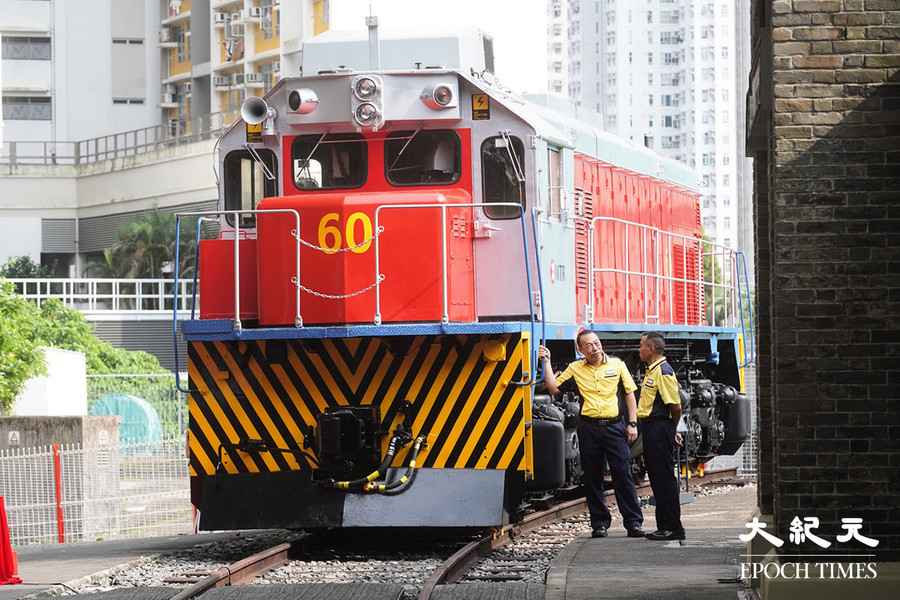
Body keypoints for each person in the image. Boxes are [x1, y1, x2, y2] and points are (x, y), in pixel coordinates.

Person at [539, 331, 645, 539]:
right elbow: (553, 388)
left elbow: (629, 394)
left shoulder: (617, 365)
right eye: (588, 345)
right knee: (593, 477)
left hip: (615, 427)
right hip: (589, 428)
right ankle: (599, 524)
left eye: (596, 343)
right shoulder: (575, 368)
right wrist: (546, 362)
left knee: (623, 475)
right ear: (580, 350)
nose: (594, 347)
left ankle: (634, 523)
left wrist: (632, 423)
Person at [637, 331, 686, 541]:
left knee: (664, 479)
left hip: (659, 428)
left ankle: (673, 527)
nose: (639, 349)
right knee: (657, 479)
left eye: (641, 346)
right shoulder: (653, 370)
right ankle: (664, 525)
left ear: (651, 349)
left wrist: (671, 430)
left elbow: (675, 406)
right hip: (653, 428)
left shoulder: (664, 372)